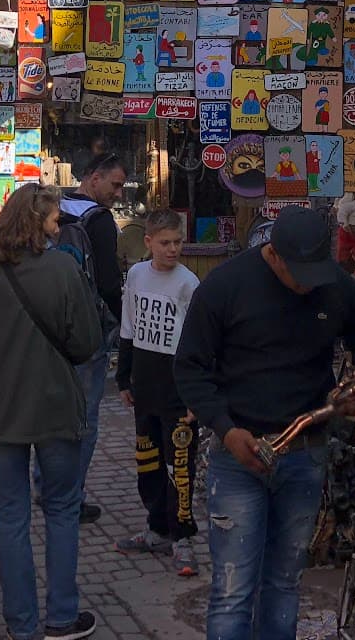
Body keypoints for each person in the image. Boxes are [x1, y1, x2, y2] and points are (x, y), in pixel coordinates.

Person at [175, 206, 355, 640]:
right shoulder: (225, 286)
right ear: (272, 254)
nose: (307, 284)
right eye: (298, 274)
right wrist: (225, 429)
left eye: (315, 273)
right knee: (233, 591)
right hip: (238, 457)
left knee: (285, 582)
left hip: (304, 455)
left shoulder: (333, 285)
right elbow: (189, 368)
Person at [0, 184, 103, 640]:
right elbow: (87, 341)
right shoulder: (62, 267)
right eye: (55, 219)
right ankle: (61, 616)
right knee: (61, 509)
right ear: (36, 221)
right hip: (54, 405)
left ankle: (21, 625)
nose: (59, 227)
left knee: (10, 516)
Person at [116, 210, 201, 576]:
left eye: (178, 242)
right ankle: (156, 527)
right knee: (148, 461)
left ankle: (182, 536)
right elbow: (129, 326)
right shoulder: (137, 275)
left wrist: (196, 394)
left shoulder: (188, 283)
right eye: (165, 243)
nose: (172, 249)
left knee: (179, 465)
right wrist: (124, 378)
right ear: (148, 241)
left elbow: (198, 342)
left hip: (177, 389)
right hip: (146, 385)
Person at [56, 154, 127, 523]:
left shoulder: (56, 207)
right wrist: (123, 322)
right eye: (115, 185)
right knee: (86, 416)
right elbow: (110, 283)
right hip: (88, 330)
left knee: (56, 411)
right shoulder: (99, 220)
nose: (118, 193)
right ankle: (71, 496)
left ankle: (47, 484)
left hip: (53, 327)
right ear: (94, 178)